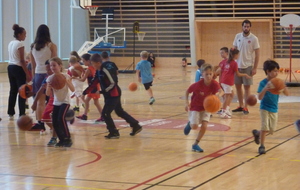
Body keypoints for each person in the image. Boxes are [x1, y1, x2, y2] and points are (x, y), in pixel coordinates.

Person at [83, 52, 142, 139]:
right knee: (119, 111)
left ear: (98, 63)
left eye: (93, 63)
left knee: (105, 113)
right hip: (109, 94)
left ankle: (113, 132)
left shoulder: (105, 70)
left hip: (114, 93)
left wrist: (102, 91)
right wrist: (84, 92)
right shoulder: (98, 71)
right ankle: (135, 125)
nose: (92, 65)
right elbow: (94, 82)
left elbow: (112, 83)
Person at [183, 63, 223, 152]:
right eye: (206, 74)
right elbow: (187, 92)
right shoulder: (198, 84)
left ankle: (195, 144)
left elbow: (221, 91)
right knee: (194, 126)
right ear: (202, 74)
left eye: (210, 74)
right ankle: (190, 124)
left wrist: (218, 95)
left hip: (207, 107)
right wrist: (186, 103)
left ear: (213, 74)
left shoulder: (214, 83)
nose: (209, 76)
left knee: (204, 125)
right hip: (195, 107)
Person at [252, 60, 289, 154]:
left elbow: (287, 94)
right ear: (268, 71)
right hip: (264, 107)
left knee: (271, 130)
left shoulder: (278, 82)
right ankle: (262, 146)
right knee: (265, 127)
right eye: (274, 71)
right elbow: (259, 97)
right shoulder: (263, 83)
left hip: (274, 108)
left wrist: (283, 87)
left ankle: (257, 133)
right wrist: (266, 88)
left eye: (277, 71)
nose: (276, 73)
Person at [30, 24, 57, 130]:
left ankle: (40, 124)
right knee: (53, 100)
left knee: (40, 102)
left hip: (37, 74)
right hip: (49, 74)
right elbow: (54, 62)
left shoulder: (33, 46)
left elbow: (33, 66)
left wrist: (33, 79)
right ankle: (54, 122)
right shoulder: (51, 46)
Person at [232, 19, 260, 115]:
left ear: (250, 27)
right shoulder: (237, 36)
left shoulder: (254, 38)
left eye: (248, 26)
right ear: (242, 27)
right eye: (244, 26)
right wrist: (231, 63)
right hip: (237, 66)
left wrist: (255, 68)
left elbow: (257, 55)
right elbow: (233, 50)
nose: (246, 28)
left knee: (247, 87)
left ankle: (246, 107)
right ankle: (240, 105)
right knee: (238, 87)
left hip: (248, 66)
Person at [46, 57, 75, 147]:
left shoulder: (66, 76)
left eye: (54, 65)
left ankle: (68, 138)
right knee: (55, 122)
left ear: (60, 66)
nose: (52, 67)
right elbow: (47, 94)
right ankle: (61, 139)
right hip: (56, 102)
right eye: (51, 66)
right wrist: (49, 86)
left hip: (65, 102)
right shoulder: (50, 78)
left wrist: (67, 82)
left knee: (61, 119)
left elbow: (72, 89)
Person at [216, 48, 251, 119]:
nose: (238, 56)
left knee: (232, 94)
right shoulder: (234, 63)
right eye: (238, 55)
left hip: (223, 80)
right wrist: (245, 75)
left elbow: (219, 71)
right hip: (227, 81)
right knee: (227, 97)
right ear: (235, 55)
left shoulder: (224, 61)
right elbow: (238, 74)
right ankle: (223, 111)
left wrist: (219, 81)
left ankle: (227, 108)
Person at [31, 60, 58, 145]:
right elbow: (40, 90)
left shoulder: (62, 77)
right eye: (47, 69)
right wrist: (34, 103)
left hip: (60, 100)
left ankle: (56, 134)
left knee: (57, 118)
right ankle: (55, 129)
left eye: (49, 69)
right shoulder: (47, 78)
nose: (48, 71)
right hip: (52, 100)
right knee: (45, 117)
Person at [7, 24, 31, 119]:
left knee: (13, 90)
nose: (25, 36)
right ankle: (22, 112)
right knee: (22, 90)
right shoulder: (20, 44)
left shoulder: (11, 43)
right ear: (19, 34)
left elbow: (16, 57)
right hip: (18, 68)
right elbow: (21, 60)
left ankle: (10, 111)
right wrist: (26, 73)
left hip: (10, 67)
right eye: (24, 34)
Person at [76, 53, 104, 122]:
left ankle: (103, 116)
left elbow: (82, 79)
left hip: (93, 88)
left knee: (96, 102)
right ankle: (85, 115)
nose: (83, 62)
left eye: (84, 61)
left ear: (89, 61)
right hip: (94, 87)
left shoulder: (89, 69)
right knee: (87, 101)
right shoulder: (94, 67)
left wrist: (75, 78)